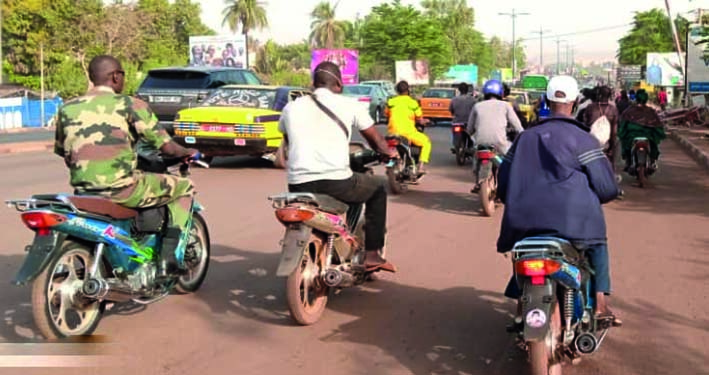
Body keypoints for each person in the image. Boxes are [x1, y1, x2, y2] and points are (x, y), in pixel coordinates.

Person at [53, 55, 199, 275]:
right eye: (122, 75)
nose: (123, 80)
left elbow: (64, 153)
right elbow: (167, 148)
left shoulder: (67, 108)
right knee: (184, 187)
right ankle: (169, 258)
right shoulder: (130, 104)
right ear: (115, 77)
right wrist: (188, 151)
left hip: (83, 191)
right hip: (123, 189)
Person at [497, 75, 622, 327]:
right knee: (597, 244)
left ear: (545, 100)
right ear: (575, 104)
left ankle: (522, 305)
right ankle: (600, 305)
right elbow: (606, 188)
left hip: (524, 223)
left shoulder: (525, 138)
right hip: (576, 224)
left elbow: (504, 183)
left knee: (524, 252)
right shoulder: (584, 139)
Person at [277, 61, 398, 271]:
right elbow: (376, 140)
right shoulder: (350, 105)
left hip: (297, 183)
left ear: (312, 84)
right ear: (339, 85)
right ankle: (372, 255)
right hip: (335, 181)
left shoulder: (291, 107)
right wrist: (389, 152)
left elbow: (287, 139)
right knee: (377, 189)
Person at [386, 80, 432, 175]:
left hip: (392, 133)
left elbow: (386, 114)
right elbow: (419, 119)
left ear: (397, 91)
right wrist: (426, 121)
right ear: (408, 90)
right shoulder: (413, 103)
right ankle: (420, 167)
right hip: (408, 133)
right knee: (426, 142)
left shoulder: (391, 102)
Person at [466, 79, 523, 155]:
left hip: (480, 143)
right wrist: (522, 133)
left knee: (475, 157)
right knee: (511, 158)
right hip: (500, 143)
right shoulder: (506, 105)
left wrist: (471, 134)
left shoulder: (477, 106)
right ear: (500, 92)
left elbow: (469, 129)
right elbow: (517, 125)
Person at [618, 89, 666, 172]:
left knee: (626, 144)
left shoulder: (629, 110)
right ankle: (653, 161)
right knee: (654, 144)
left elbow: (623, 125)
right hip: (647, 136)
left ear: (637, 98)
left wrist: (621, 133)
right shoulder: (651, 111)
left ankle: (628, 162)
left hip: (632, 136)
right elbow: (658, 125)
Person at [583, 85, 619, 171]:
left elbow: (584, 125)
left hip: (591, 142)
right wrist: (611, 147)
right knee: (613, 156)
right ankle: (612, 173)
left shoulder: (590, 107)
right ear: (610, 96)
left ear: (599, 95)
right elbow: (614, 131)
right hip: (607, 143)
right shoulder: (613, 109)